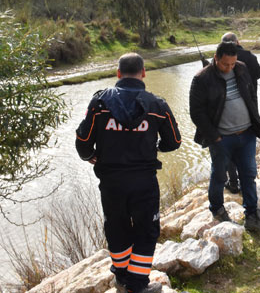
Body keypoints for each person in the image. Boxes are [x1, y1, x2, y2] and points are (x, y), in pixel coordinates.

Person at [75, 53, 181, 293]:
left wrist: (88, 155)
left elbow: (82, 139)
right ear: (143, 73)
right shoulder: (157, 105)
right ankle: (138, 285)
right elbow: (174, 141)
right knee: (146, 230)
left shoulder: (99, 103)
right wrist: (155, 146)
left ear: (118, 74)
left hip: (111, 182)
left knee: (116, 227)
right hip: (144, 182)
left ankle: (122, 278)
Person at [189, 42, 260, 234]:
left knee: (249, 175)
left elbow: (251, 94)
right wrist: (215, 137)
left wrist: (253, 122)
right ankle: (218, 210)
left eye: (233, 64)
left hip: (246, 135)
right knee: (219, 176)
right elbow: (197, 113)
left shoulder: (241, 68)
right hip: (222, 139)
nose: (229, 68)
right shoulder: (202, 78)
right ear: (216, 58)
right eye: (225, 64)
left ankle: (252, 216)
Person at [220, 32, 260, 194]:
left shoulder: (219, 60)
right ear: (237, 41)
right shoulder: (249, 56)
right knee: (248, 142)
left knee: (230, 147)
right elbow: (259, 74)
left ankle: (233, 181)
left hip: (228, 111)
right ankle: (250, 176)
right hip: (250, 106)